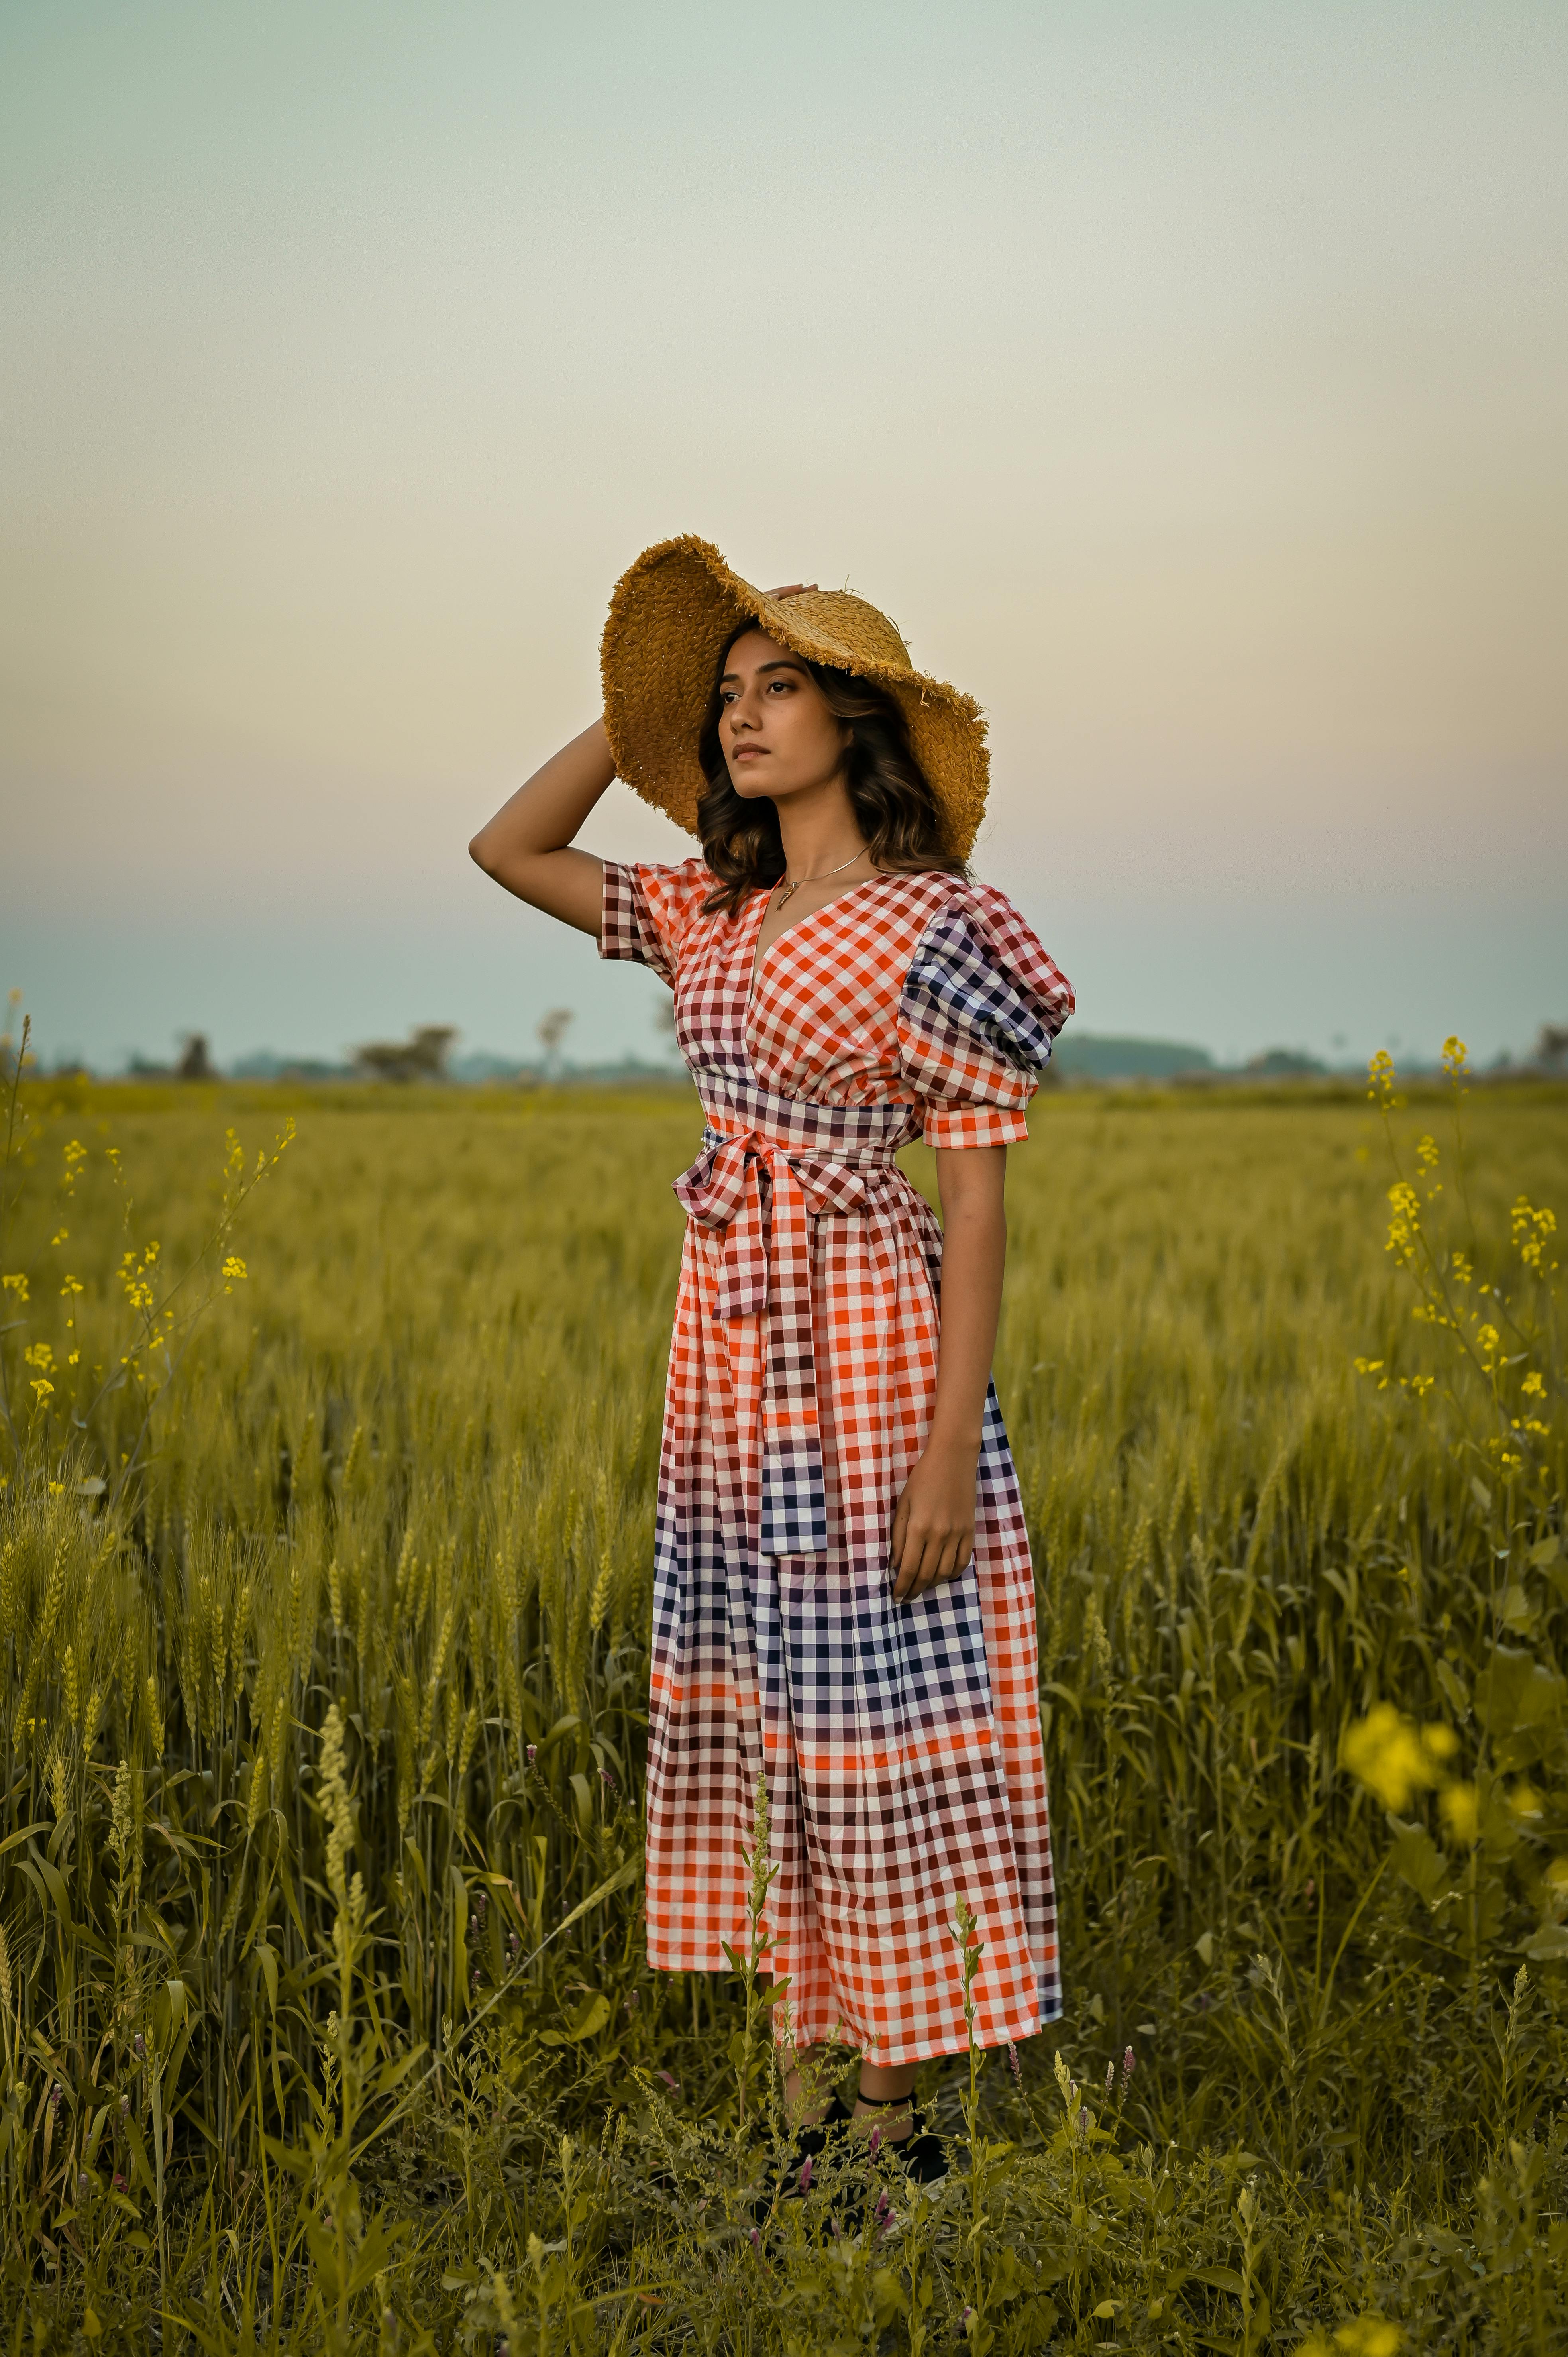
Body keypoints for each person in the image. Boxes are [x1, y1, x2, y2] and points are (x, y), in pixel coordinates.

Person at [470, 535, 1072, 2182]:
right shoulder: (712, 911)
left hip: (875, 1346)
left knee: (881, 1729)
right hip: (727, 1364)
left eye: (777, 686)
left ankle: (898, 2139)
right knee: (770, 1726)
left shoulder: (938, 925)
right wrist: (636, 712)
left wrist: (951, 1453)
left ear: (855, 719)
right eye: (723, 697)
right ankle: (808, 2134)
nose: (743, 718)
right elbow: (505, 846)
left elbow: (978, 1199)